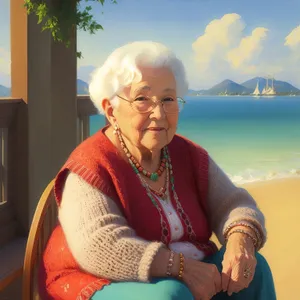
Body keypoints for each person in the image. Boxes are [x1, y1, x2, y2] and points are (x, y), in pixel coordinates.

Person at [40, 41, 276, 300]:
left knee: (256, 270)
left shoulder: (188, 154)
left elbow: (234, 202)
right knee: (169, 295)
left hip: (187, 273)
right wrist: (179, 267)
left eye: (168, 99)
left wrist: (240, 239)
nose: (159, 113)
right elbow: (99, 247)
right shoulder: (88, 165)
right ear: (111, 111)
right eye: (142, 99)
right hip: (100, 279)